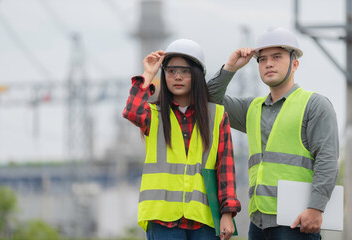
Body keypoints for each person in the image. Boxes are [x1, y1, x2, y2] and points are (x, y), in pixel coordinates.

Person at [207, 26, 339, 240]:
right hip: (258, 223)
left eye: (277, 57)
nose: (268, 63)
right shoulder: (252, 109)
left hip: (297, 221)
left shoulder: (314, 105)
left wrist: (316, 208)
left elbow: (327, 159)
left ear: (295, 64)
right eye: (262, 59)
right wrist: (230, 68)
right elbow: (208, 100)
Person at [122, 39, 241, 240]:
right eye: (170, 71)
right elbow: (132, 111)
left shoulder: (217, 116)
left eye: (185, 71)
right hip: (162, 220)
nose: (177, 77)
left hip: (203, 219)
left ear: (197, 75)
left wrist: (227, 213)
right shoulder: (154, 114)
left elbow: (225, 168)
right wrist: (149, 74)